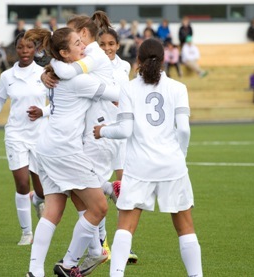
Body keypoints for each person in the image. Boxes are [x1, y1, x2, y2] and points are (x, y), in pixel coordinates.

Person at [93, 38, 203, 277]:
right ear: (164, 60)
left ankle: (117, 274)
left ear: (138, 61)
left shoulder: (129, 88)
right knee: (185, 227)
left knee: (126, 227)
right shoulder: (178, 88)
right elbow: (184, 130)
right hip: (172, 166)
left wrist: (102, 131)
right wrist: (179, 155)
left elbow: (125, 131)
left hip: (139, 167)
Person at [23, 26, 119, 277]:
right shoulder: (78, 80)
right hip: (65, 150)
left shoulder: (57, 70)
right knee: (99, 208)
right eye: (78, 43)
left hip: (47, 147)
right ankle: (68, 264)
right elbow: (120, 95)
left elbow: (55, 68)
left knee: (54, 208)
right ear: (65, 53)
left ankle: (34, 271)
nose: (83, 46)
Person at [0, 32, 47, 247]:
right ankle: (26, 233)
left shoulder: (44, 74)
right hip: (15, 134)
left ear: (36, 49)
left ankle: (37, 199)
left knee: (41, 190)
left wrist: (43, 112)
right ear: (15, 50)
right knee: (22, 183)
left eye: (29, 47)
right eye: (20, 47)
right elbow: (0, 97)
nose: (24, 51)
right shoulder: (7, 76)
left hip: (40, 135)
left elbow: (57, 102)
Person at [98, 27, 139, 265]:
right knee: (97, 193)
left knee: (126, 192)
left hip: (122, 133)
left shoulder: (124, 66)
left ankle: (125, 246)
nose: (107, 49)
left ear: (118, 44)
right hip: (101, 133)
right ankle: (101, 244)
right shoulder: (91, 65)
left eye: (111, 44)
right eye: (102, 44)